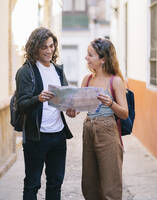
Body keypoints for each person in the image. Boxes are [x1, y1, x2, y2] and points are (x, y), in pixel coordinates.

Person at [66, 38, 128, 200]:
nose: (86, 58)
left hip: (108, 132)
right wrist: (73, 111)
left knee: (110, 185)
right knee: (89, 184)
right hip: (88, 131)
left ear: (103, 59)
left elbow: (124, 113)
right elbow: (79, 107)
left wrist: (111, 103)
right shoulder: (87, 80)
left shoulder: (116, 81)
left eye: (90, 55)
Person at [15, 27, 73, 200]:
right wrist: (38, 98)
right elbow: (21, 105)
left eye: (51, 46)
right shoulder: (26, 72)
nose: (49, 50)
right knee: (32, 184)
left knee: (55, 183)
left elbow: (65, 101)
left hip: (58, 135)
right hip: (36, 137)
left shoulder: (58, 71)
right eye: (44, 47)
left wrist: (71, 109)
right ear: (35, 48)